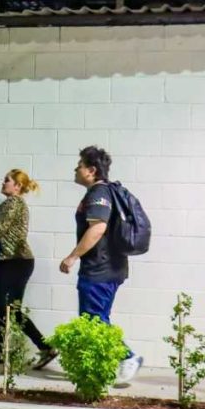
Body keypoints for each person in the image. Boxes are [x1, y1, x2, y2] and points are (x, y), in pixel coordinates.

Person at [58, 145, 143, 382]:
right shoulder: (103, 192)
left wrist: (72, 256)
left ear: (91, 170)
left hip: (100, 268)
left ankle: (128, 357)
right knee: (94, 318)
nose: (76, 169)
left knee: (94, 319)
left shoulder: (99, 194)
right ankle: (99, 368)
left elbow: (97, 228)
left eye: (80, 165)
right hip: (107, 267)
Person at [0, 169, 57, 368]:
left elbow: (1, 228)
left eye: (7, 181)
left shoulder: (14, 203)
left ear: (17, 186)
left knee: (3, 306)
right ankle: (44, 348)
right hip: (16, 261)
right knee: (7, 308)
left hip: (14, 261)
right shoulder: (13, 203)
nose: (3, 183)